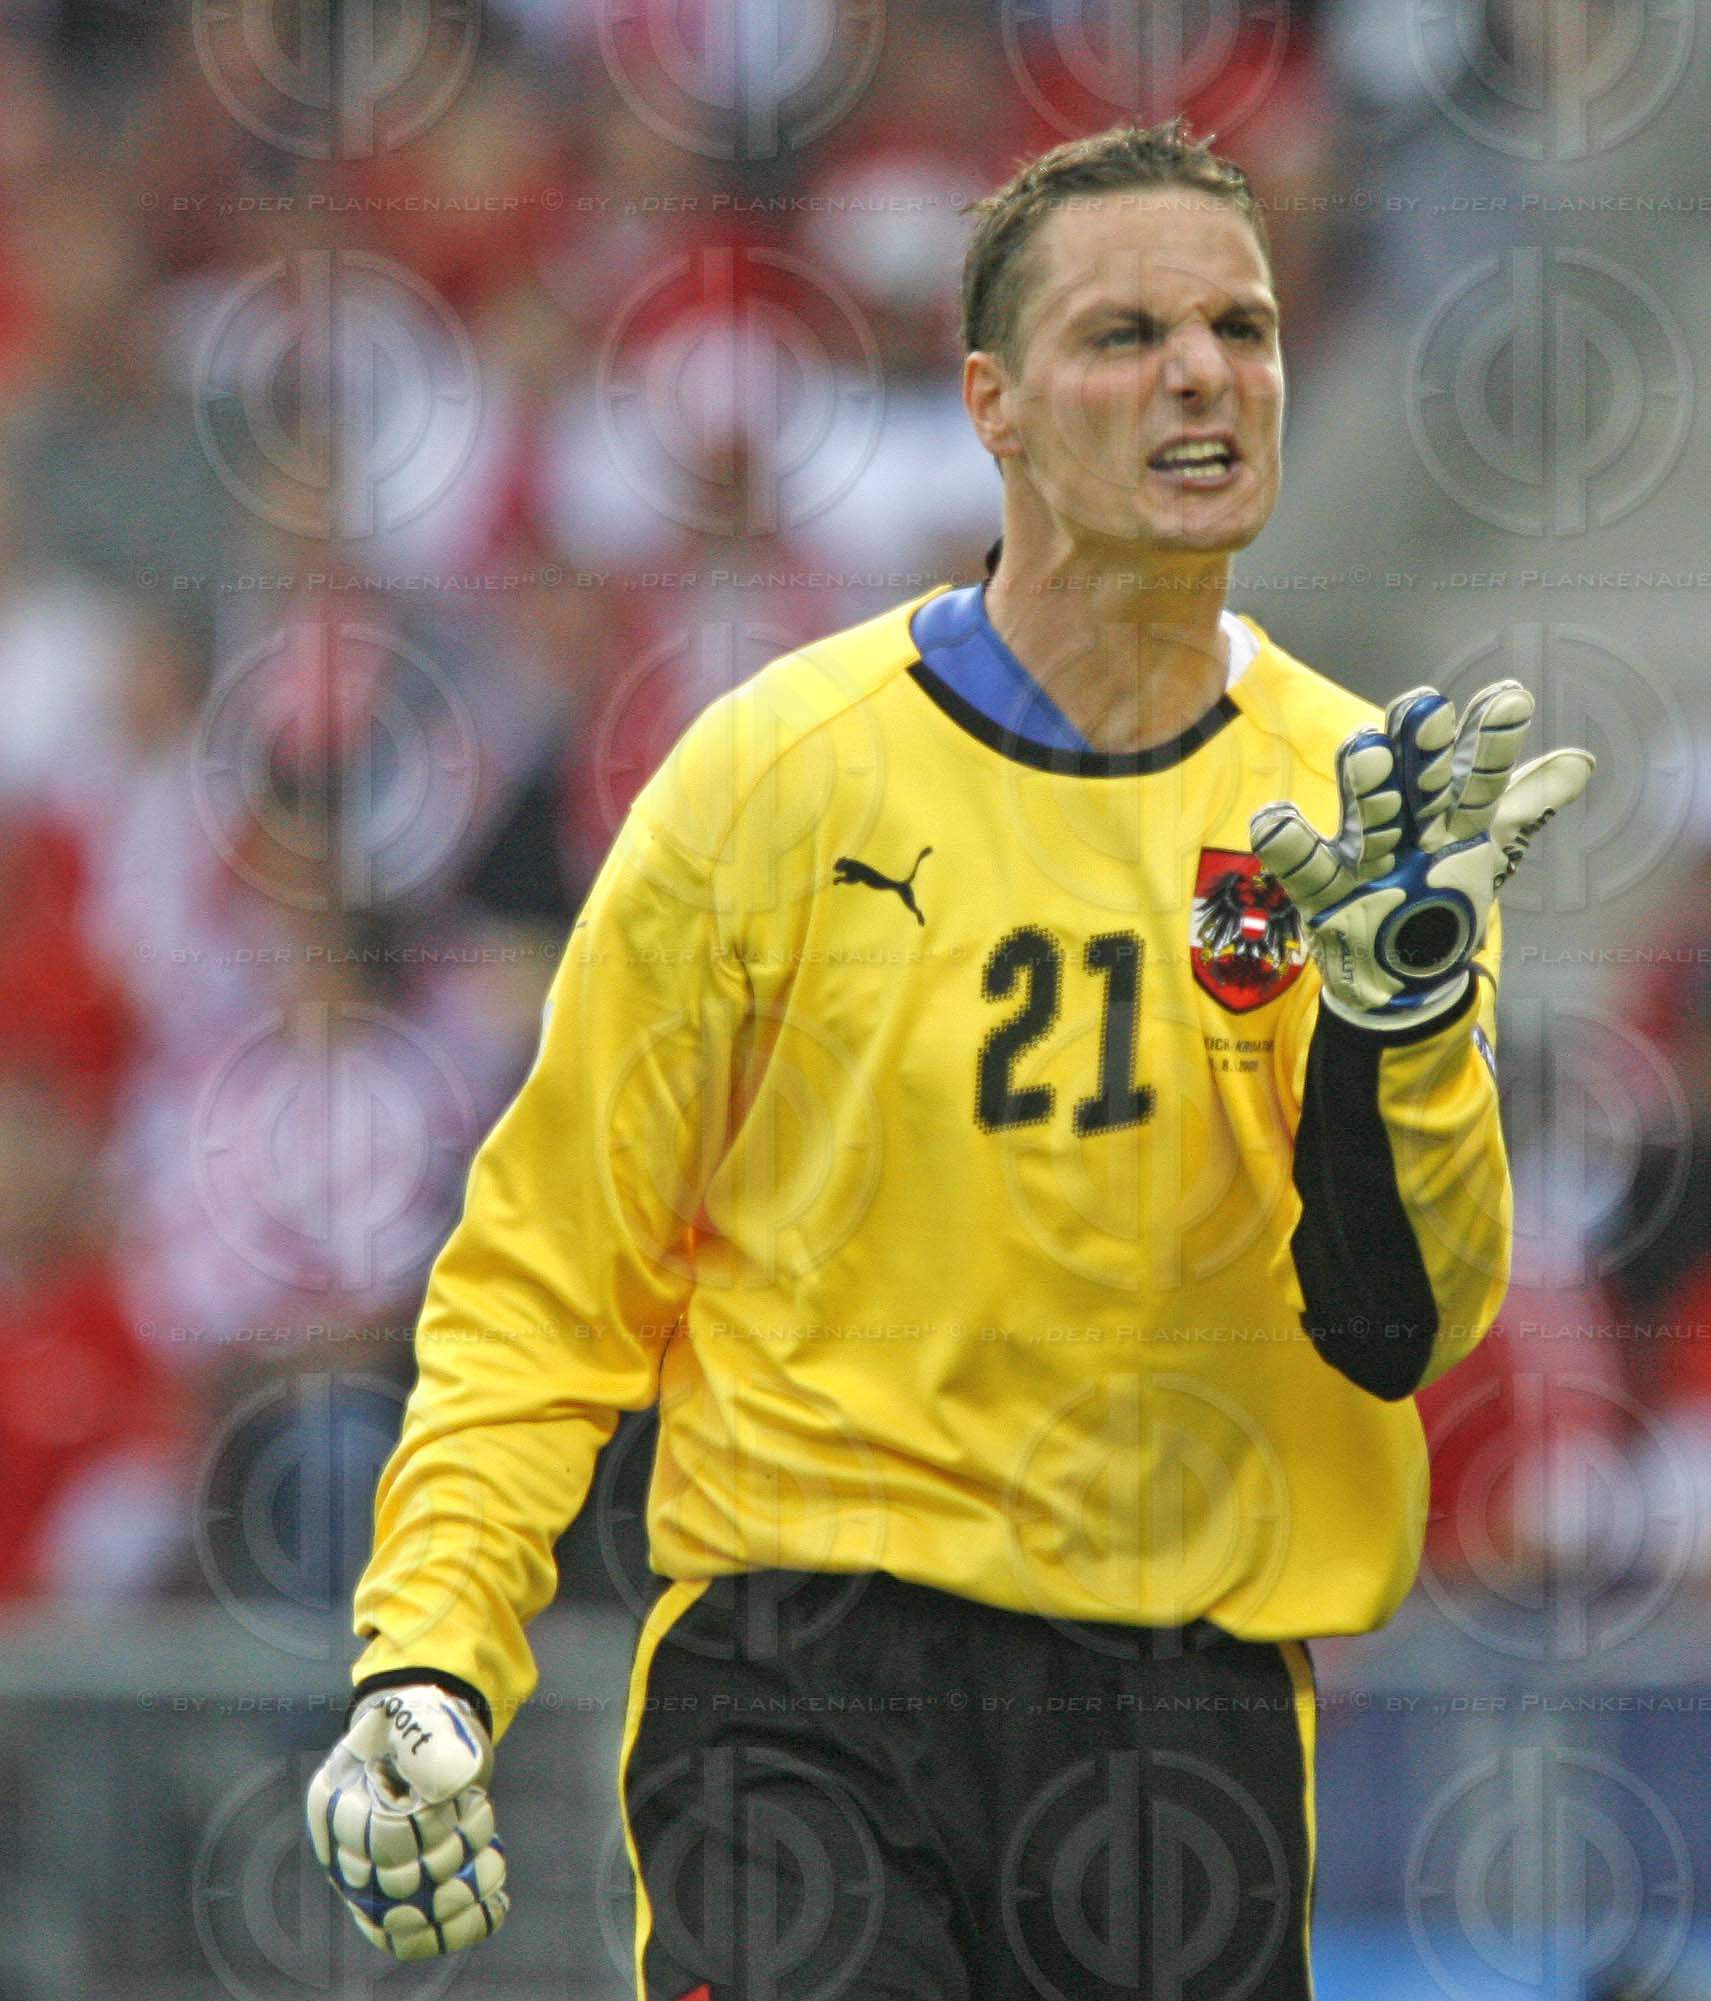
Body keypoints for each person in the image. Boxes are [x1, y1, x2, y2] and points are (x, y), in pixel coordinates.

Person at [301, 120, 1594, 1996]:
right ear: (989, 402)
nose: (1201, 377)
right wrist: (430, 1650)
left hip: (1183, 1726)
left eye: (1239, 327)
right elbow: (547, 1277)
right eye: (1125, 334)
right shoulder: (772, 775)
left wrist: (1401, 1022)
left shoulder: (1348, 806)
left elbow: (1405, 1320)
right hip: (804, 1688)